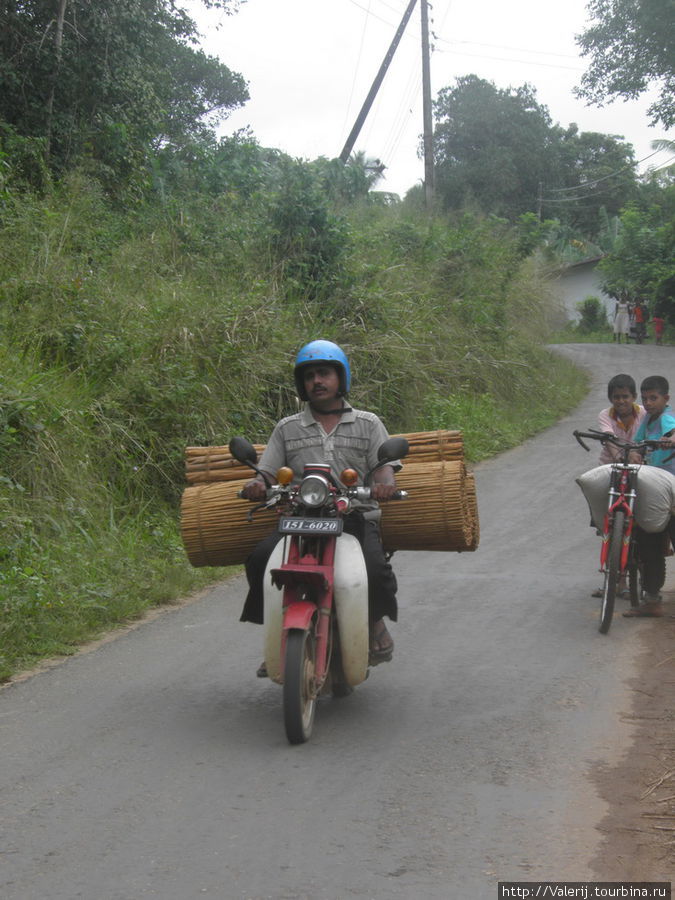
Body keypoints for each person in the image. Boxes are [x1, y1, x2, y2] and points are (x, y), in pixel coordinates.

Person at [239, 339, 401, 671]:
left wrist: (384, 488)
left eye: (325, 373)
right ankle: (277, 635)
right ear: (302, 384)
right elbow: (268, 473)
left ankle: (374, 623)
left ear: (341, 378)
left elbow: (385, 472)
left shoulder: (368, 424)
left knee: (375, 570)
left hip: (352, 517)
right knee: (259, 561)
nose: (317, 381)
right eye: (310, 375)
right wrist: (258, 485)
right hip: (299, 519)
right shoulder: (287, 428)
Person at [590, 374, 646, 598]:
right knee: (609, 517)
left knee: (641, 518)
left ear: (633, 397)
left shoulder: (643, 413)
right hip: (612, 467)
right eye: (616, 397)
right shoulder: (606, 415)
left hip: (639, 468)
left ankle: (640, 574)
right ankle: (615, 577)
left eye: (625, 397)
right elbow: (608, 439)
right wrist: (622, 455)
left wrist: (636, 455)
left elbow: (647, 438)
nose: (620, 401)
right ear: (610, 398)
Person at [624, 375, 675, 618]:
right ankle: (652, 598)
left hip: (671, 491)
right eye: (644, 399)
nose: (648, 403)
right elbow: (636, 444)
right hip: (653, 490)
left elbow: (673, 430)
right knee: (649, 543)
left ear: (666, 398)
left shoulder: (666, 418)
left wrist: (670, 440)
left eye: (653, 398)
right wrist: (635, 454)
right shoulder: (646, 419)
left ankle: (652, 598)